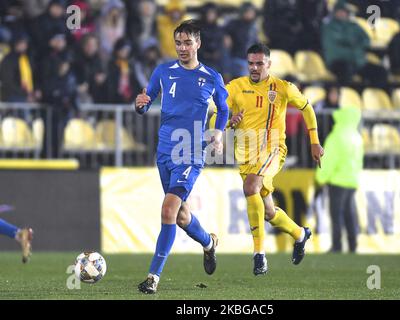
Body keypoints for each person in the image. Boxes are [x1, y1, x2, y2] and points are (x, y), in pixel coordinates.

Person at [134, 20, 229, 294]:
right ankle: (209, 243)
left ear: (198, 43)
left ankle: (153, 277)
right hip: (164, 151)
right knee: (181, 216)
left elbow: (222, 110)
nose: (183, 48)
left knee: (168, 209)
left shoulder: (212, 77)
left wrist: (219, 133)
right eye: (178, 43)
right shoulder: (164, 71)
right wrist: (140, 105)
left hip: (191, 151)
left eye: (188, 43)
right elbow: (146, 100)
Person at [226, 43, 324, 275]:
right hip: (246, 156)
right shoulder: (235, 87)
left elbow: (307, 108)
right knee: (269, 212)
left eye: (259, 63)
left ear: (269, 64)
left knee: (250, 186)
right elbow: (216, 116)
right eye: (251, 63)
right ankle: (300, 234)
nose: (254, 67)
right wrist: (229, 122)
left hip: (273, 150)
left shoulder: (282, 88)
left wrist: (314, 141)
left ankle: (259, 254)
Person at [315, 106, 363, 253]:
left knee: (336, 215)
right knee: (350, 215)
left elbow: (328, 160)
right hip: (352, 181)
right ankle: (353, 245)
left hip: (337, 181)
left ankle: (337, 246)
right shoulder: (357, 137)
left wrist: (320, 178)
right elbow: (359, 161)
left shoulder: (336, 136)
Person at [321, 0, 387, 88]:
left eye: (345, 11)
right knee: (346, 70)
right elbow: (333, 49)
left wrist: (355, 46)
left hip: (357, 61)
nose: (342, 14)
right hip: (338, 62)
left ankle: (369, 96)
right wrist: (354, 45)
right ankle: (344, 96)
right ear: (335, 12)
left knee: (380, 72)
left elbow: (366, 39)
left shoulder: (353, 25)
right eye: (340, 11)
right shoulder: (329, 27)